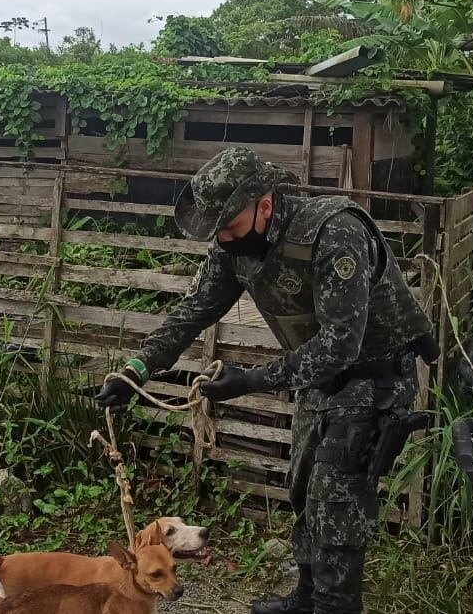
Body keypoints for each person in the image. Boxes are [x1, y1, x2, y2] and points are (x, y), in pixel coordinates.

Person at [94, 148, 439, 614]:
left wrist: (251, 379)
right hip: (320, 381)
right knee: (303, 491)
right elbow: (195, 309)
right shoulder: (233, 240)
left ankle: (334, 608)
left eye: (229, 226)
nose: (223, 238)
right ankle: (307, 597)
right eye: (216, 228)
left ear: (265, 204)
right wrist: (137, 370)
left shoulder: (334, 231)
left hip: (372, 378)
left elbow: (341, 344)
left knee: (336, 509)